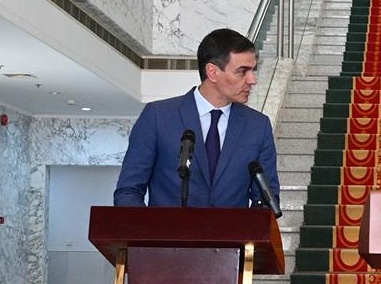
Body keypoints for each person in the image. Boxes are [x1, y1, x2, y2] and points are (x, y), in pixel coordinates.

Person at [114, 28, 280, 207]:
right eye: (243, 71)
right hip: (166, 234)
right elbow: (129, 191)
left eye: (253, 70)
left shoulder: (258, 126)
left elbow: (266, 199)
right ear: (212, 72)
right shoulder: (157, 116)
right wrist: (148, 232)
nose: (252, 80)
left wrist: (250, 231)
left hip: (233, 235)